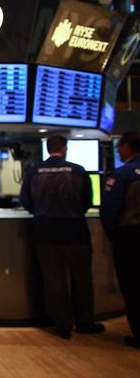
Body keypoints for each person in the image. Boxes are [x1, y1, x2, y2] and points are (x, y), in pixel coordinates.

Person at [19, 135, 105, 339]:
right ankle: (84, 323)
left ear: (47, 149)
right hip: (75, 231)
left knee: (53, 279)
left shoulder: (34, 171)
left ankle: (63, 326)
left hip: (45, 232)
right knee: (82, 279)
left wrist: (40, 212)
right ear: (65, 149)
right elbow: (87, 202)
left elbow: (26, 202)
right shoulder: (78, 171)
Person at [100, 131, 140, 349]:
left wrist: (115, 237)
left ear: (126, 146)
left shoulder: (122, 174)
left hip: (130, 238)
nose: (117, 150)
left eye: (119, 147)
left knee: (133, 286)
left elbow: (109, 211)